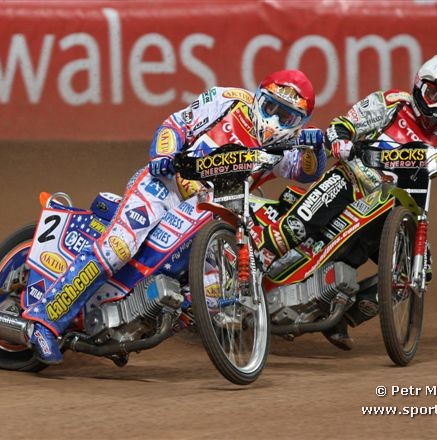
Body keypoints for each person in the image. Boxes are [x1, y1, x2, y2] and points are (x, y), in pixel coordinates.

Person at [23, 69, 328, 364]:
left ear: (300, 123)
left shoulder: (287, 145)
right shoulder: (228, 100)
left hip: (208, 211)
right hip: (164, 187)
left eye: (287, 117)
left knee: (210, 290)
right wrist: (163, 155)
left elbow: (306, 172)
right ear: (259, 97)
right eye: (271, 108)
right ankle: (44, 321)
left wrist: (316, 149)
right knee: (120, 247)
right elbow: (176, 124)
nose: (274, 121)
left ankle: (129, 325)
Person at [254, 54, 437, 351]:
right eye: (433, 95)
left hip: (398, 210)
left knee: (418, 271)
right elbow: (343, 125)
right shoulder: (392, 103)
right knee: (300, 225)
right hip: (352, 182)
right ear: (418, 86)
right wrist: (341, 141)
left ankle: (342, 314)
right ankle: (256, 263)